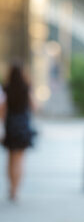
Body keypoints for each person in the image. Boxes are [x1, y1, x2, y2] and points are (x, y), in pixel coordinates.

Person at [2, 64, 36, 202]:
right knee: (19, 160)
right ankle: (16, 190)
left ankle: (11, 188)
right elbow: (34, 107)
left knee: (10, 159)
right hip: (22, 126)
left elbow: (2, 110)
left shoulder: (6, 89)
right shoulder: (26, 89)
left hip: (10, 126)